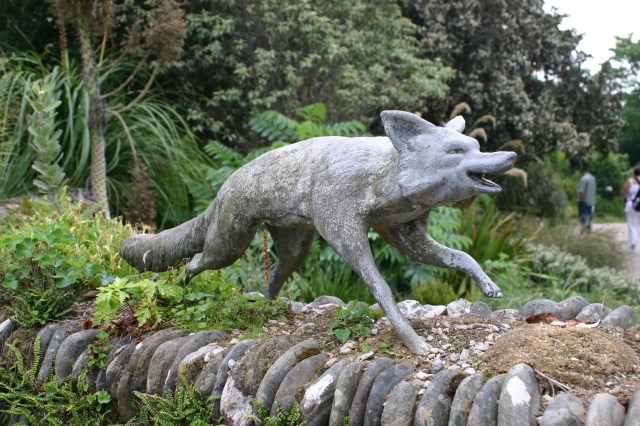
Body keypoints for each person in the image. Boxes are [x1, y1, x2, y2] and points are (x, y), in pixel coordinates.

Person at [621, 166, 640, 252]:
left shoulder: (631, 181)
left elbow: (624, 193)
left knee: (632, 225)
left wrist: (626, 199)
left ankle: (633, 246)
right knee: (638, 225)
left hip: (632, 205)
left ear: (634, 173)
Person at [577, 165, 596, 233]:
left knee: (583, 217)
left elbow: (582, 192)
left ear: (581, 172)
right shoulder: (593, 178)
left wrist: (579, 200)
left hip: (584, 201)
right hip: (591, 201)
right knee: (589, 216)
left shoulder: (584, 179)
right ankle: (588, 229)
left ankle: (583, 230)